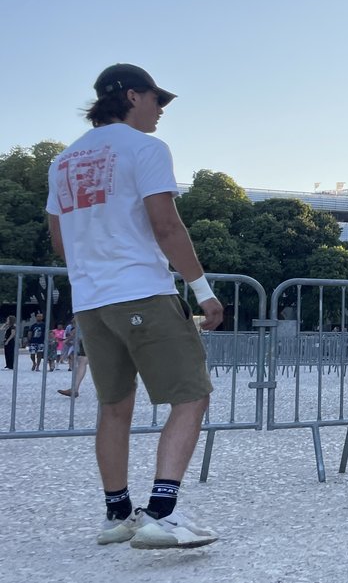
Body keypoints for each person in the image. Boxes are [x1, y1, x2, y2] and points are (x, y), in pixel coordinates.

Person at [46, 63, 222, 549]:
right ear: (130, 96)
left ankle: (117, 514)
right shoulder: (146, 148)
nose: (161, 109)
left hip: (91, 300)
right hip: (140, 289)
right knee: (191, 394)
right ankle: (161, 514)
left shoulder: (61, 162)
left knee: (114, 405)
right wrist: (203, 291)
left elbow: (59, 241)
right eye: (155, 99)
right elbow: (166, 225)